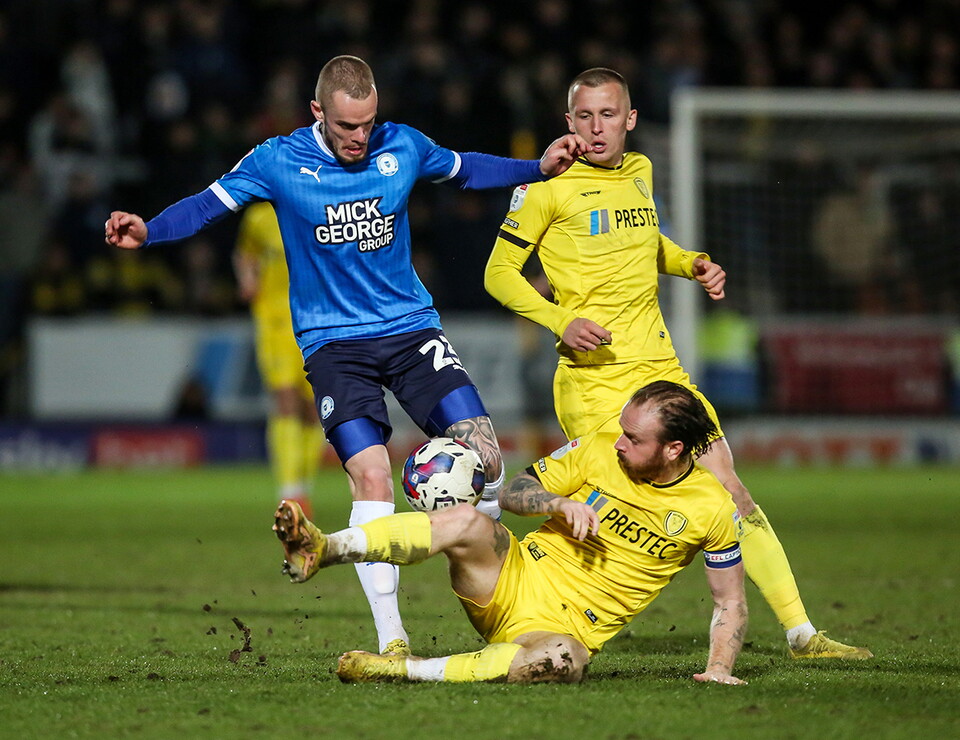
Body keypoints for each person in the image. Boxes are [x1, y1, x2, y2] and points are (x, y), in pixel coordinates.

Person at [105, 55, 587, 657]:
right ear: (317, 113)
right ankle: (393, 642)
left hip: (411, 333)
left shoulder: (402, 146)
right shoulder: (277, 161)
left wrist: (534, 169)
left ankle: (533, 580)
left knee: (485, 460)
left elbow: (464, 170)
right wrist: (148, 231)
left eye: (368, 124)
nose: (360, 138)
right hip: (335, 347)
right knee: (372, 472)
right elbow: (206, 205)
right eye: (346, 127)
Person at [483, 67, 872, 660]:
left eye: (608, 115)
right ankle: (538, 610)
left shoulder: (641, 172)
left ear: (630, 119)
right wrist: (562, 321)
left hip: (661, 372)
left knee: (732, 489)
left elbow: (646, 241)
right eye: (584, 117)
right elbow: (498, 274)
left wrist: (689, 262)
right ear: (568, 122)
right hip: (595, 381)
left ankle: (802, 634)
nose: (596, 128)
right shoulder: (547, 188)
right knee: (615, 508)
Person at [273, 380, 748, 685]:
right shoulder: (599, 450)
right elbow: (517, 489)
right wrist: (558, 504)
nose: (619, 443)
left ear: (674, 449)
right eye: (622, 431)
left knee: (564, 662)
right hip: (509, 576)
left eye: (634, 439)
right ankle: (325, 546)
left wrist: (719, 669)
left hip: (556, 630)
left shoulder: (711, 509)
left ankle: (403, 670)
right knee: (470, 520)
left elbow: (730, 601)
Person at [233, 201, 324, 518]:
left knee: (313, 410)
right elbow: (245, 253)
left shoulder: (323, 202)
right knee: (285, 399)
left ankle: (304, 486)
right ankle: (289, 492)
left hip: (317, 319)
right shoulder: (259, 215)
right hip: (274, 320)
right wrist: (248, 279)